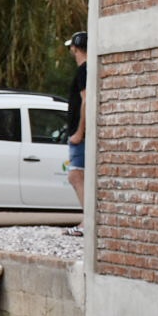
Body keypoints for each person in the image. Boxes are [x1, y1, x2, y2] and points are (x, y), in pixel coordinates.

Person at [65, 31, 88, 211]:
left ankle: (87, 221)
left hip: (80, 136)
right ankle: (87, 220)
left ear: (75, 47)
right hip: (79, 134)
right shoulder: (86, 69)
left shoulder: (83, 70)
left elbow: (86, 100)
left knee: (75, 175)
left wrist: (79, 132)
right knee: (77, 176)